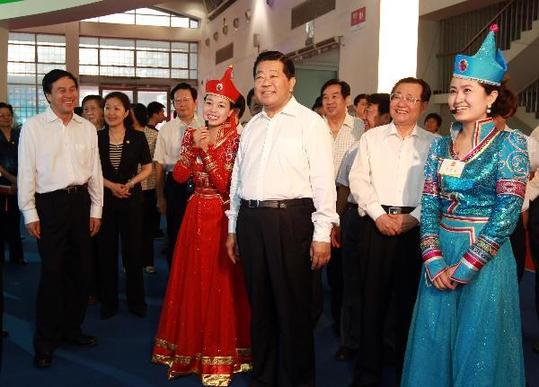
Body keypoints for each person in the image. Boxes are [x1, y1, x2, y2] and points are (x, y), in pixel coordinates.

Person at [402, 25, 528, 386]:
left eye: (467, 90)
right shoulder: (440, 147)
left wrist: (469, 263)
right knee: (434, 341)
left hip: (484, 258)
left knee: (479, 349)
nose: (457, 98)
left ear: (491, 97)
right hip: (441, 254)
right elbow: (428, 206)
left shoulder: (510, 144)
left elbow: (507, 212)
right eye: (454, 90)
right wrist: (433, 257)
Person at [226, 51, 338, 387]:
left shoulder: (309, 123)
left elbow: (323, 181)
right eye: (260, 75)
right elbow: (237, 180)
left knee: (293, 310)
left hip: (291, 222)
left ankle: (296, 380)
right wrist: (233, 226)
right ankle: (263, 378)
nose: (265, 82)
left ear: (291, 81)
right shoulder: (251, 126)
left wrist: (322, 233)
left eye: (273, 75)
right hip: (251, 221)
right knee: (260, 307)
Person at [152, 67, 251, 385]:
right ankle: (188, 351)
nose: (212, 109)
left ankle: (221, 352)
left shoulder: (237, 140)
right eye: (209, 101)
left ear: (232, 111)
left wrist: (206, 151)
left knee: (219, 282)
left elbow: (225, 185)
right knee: (192, 281)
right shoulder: (190, 133)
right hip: (194, 213)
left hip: (222, 217)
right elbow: (179, 178)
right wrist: (192, 147)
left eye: (221, 104)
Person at [348, 76, 436, 386]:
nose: (401, 102)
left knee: (408, 304)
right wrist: (376, 213)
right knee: (371, 302)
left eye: (410, 98)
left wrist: (414, 218)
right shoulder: (371, 138)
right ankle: (367, 371)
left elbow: (436, 189)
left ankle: (406, 370)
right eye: (397, 96)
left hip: (415, 231)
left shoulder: (434, 144)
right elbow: (358, 179)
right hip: (376, 226)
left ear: (423, 105)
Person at [18, 69, 103, 368]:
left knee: (80, 272)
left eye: (72, 89)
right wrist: (29, 211)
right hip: (49, 205)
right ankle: (45, 339)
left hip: (80, 203)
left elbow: (95, 171)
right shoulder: (33, 127)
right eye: (61, 90)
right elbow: (26, 172)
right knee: (52, 274)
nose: (69, 95)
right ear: (48, 95)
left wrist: (96, 210)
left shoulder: (87, 127)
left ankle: (72, 329)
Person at [97, 92, 152, 320]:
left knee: (133, 252)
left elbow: (147, 167)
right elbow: (90, 170)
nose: (111, 112)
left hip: (131, 201)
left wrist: (129, 183)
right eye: (108, 107)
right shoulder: (97, 137)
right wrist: (111, 186)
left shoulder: (138, 137)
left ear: (126, 112)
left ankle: (136, 302)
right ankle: (108, 302)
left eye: (117, 108)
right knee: (106, 253)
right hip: (105, 201)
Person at [321, 78, 364, 343]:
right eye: (325, 97)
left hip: (346, 204)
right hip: (316, 203)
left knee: (342, 273)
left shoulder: (360, 128)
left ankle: (342, 327)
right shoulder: (314, 127)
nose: (329, 101)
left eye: (335, 96)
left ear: (346, 99)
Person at [154, 83, 203, 267]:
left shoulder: (206, 126)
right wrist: (160, 197)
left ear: (195, 102)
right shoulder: (166, 129)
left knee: (197, 232)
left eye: (186, 100)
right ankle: (175, 276)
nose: (182, 104)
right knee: (175, 231)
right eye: (177, 101)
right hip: (174, 184)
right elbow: (158, 163)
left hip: (199, 184)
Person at [131, 103, 159, 274]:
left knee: (147, 227)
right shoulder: (125, 134)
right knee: (132, 228)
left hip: (149, 186)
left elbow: (157, 164)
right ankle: (132, 262)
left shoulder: (153, 135)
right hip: (130, 187)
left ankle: (148, 260)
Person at [0, 102, 25, 265]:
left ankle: (17, 257)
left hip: (21, 182)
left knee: (16, 220)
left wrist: (21, 180)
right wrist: (11, 179)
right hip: (2, 181)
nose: (6, 118)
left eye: (8, 115)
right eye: (2, 115)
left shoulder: (20, 133)